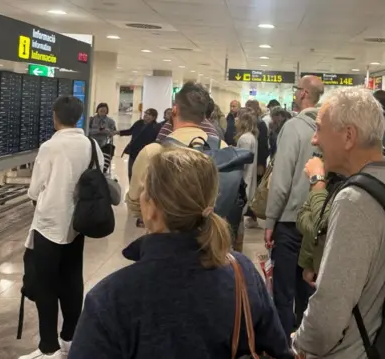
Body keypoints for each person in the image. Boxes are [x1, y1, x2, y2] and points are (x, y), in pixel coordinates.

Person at [68, 147, 292, 359]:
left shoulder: (111, 298)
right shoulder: (242, 273)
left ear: (152, 208)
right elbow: (277, 349)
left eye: (145, 189)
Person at [293, 87, 385, 358]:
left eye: (319, 129)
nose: (314, 140)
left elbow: (328, 317)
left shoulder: (355, 201)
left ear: (348, 136)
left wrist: (299, 343)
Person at [19, 96, 102, 359]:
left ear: (55, 116)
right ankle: (70, 339)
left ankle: (48, 347)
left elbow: (35, 188)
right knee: (71, 279)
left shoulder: (50, 147)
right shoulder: (91, 144)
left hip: (49, 225)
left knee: (45, 285)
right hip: (78, 224)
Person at [265, 75, 324, 338]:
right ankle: (305, 343)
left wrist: (269, 222)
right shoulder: (330, 128)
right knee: (308, 288)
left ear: (303, 94)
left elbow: (280, 183)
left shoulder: (293, 128)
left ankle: (281, 345)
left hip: (289, 223)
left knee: (283, 290)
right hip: (317, 222)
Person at [126, 82, 227, 229]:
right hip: (208, 239)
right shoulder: (222, 148)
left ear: (174, 110)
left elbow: (134, 204)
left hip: (163, 240)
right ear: (205, 114)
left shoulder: (153, 152)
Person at [297, 157, 345, 289]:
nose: (314, 139)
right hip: (319, 269)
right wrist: (309, 262)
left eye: (320, 134)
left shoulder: (357, 182)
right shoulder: (333, 170)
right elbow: (303, 216)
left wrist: (317, 182)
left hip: (337, 279)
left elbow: (325, 229)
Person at [233, 108, 259, 252]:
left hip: (243, 180)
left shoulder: (244, 139)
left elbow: (242, 162)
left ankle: (238, 246)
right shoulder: (252, 137)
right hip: (249, 179)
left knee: (238, 219)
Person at [117, 108, 161, 182]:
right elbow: (130, 131)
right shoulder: (139, 123)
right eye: (145, 113)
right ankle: (131, 189)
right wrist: (118, 132)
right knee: (131, 172)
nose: (146, 115)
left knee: (142, 174)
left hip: (145, 154)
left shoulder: (156, 127)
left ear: (154, 117)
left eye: (148, 114)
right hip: (133, 152)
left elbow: (156, 141)